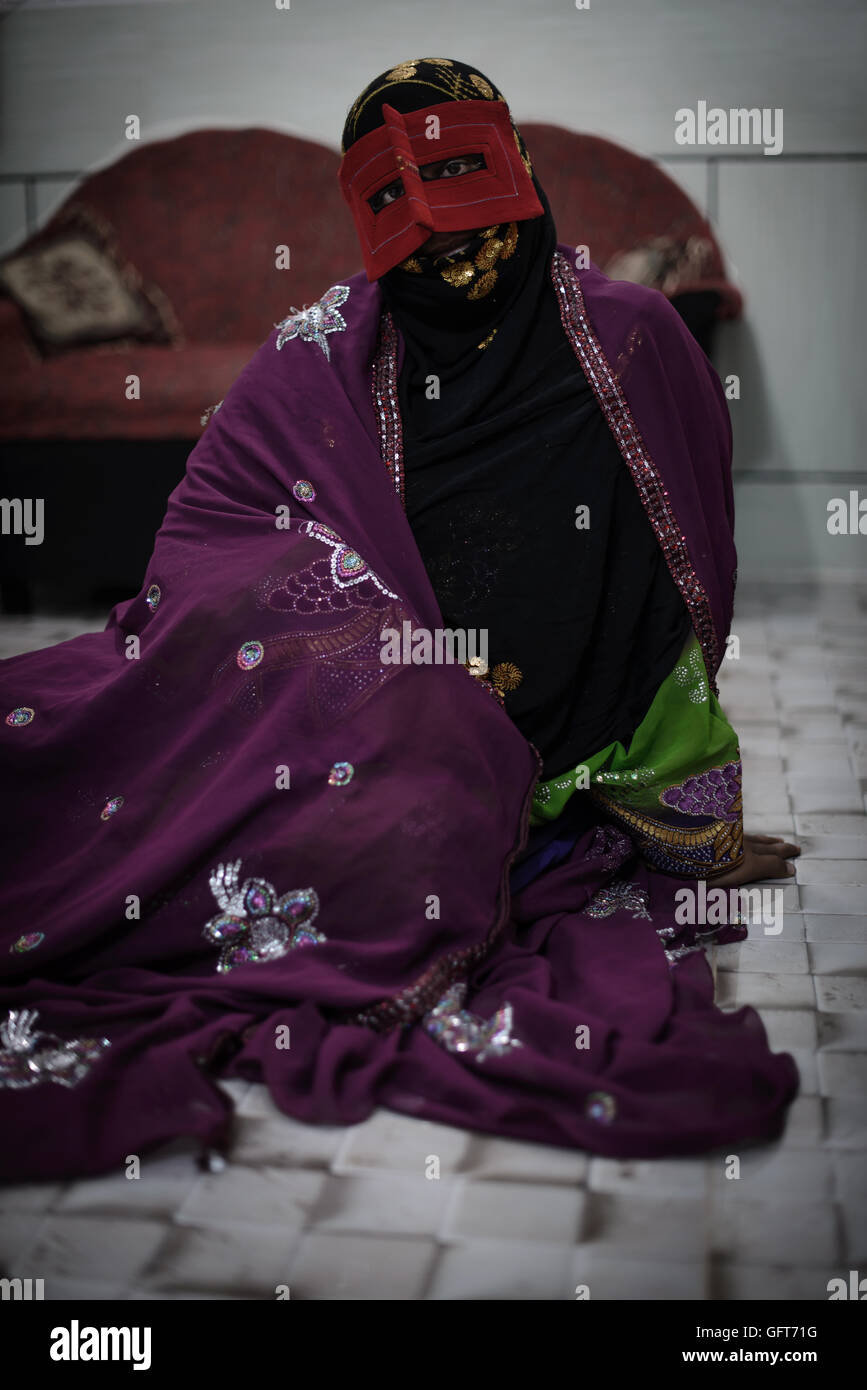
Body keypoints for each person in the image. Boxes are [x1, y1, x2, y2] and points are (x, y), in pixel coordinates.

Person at [0, 59, 799, 1183]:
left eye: (473, 213)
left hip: (522, 748)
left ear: (517, 171)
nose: (456, 257)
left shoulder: (633, 343)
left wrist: (689, 826)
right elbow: (205, 558)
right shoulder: (319, 354)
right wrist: (382, 656)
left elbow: (671, 616)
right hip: (360, 715)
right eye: (415, 234)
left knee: (432, 821)